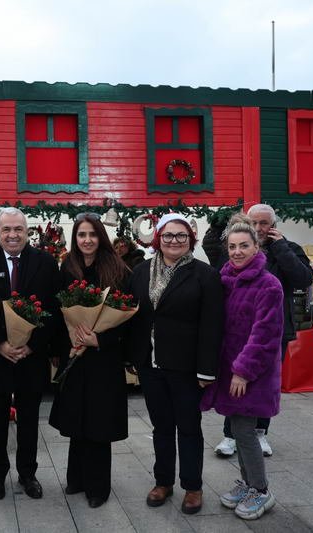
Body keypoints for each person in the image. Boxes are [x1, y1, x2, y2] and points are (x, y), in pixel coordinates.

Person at [125, 213, 223, 515]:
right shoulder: (140, 272)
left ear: (190, 239)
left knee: (189, 428)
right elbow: (132, 316)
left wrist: (207, 370)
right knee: (162, 427)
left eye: (181, 236)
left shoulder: (204, 275)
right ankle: (163, 481)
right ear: (158, 239)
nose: (174, 241)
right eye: (168, 235)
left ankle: (192, 486)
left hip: (186, 367)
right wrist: (132, 355)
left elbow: (212, 325)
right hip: (150, 363)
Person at [0, 207, 60, 501]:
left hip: (31, 357)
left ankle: (28, 474)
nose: (12, 235)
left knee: (30, 419)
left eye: (18, 229)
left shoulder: (46, 263)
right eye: (6, 229)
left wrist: (33, 345)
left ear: (27, 231)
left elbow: (55, 310)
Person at [213, 204, 312, 458]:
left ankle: (260, 433)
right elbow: (217, 259)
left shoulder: (289, 248)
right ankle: (230, 434)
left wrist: (281, 249)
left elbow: (302, 279)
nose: (259, 228)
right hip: (236, 332)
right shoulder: (238, 246)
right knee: (233, 382)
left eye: (264, 223)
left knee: (263, 383)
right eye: (254, 223)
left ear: (273, 225)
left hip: (275, 330)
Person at [201, 221, 283, 520]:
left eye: (243, 245)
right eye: (232, 246)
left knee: (246, 431)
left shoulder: (268, 284)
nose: (237, 252)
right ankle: (248, 483)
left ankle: (260, 490)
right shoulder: (226, 280)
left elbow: (265, 335)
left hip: (251, 375)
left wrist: (242, 371)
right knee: (237, 428)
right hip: (231, 371)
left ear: (256, 247)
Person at [49, 213, 129, 508]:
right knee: (76, 417)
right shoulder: (66, 267)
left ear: (100, 237)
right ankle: (77, 478)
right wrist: (64, 345)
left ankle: (98, 486)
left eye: (92, 235)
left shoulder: (118, 270)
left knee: (99, 421)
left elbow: (127, 316)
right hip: (75, 356)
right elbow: (58, 314)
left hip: (103, 359)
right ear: (75, 238)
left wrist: (101, 340)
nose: (87, 240)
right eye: (81, 235)